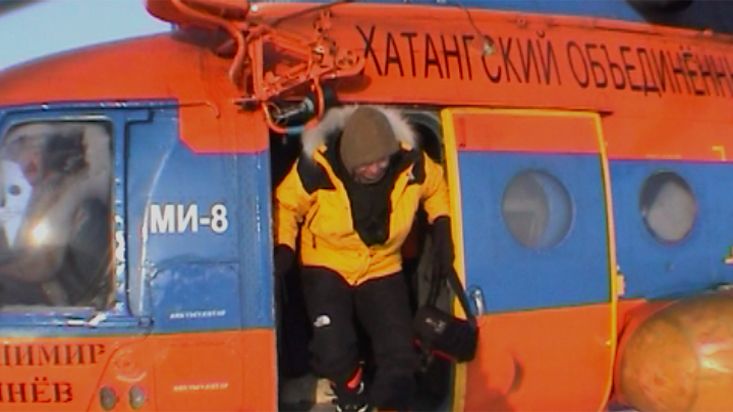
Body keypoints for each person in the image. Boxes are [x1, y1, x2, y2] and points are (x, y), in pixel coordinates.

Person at [273, 105, 456, 411]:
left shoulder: (411, 164)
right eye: (367, 164)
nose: (377, 169)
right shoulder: (317, 167)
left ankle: (388, 405)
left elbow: (436, 188)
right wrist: (284, 247)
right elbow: (287, 205)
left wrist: (441, 224)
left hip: (381, 263)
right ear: (350, 158)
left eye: (383, 160)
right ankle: (352, 397)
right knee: (333, 349)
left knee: (399, 352)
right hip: (327, 261)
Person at [0, 125, 111, 308]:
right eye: (24, 145)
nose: (32, 155)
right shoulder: (32, 197)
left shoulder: (74, 189)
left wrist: (81, 123)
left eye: (39, 147)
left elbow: (42, 266)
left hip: (61, 302)